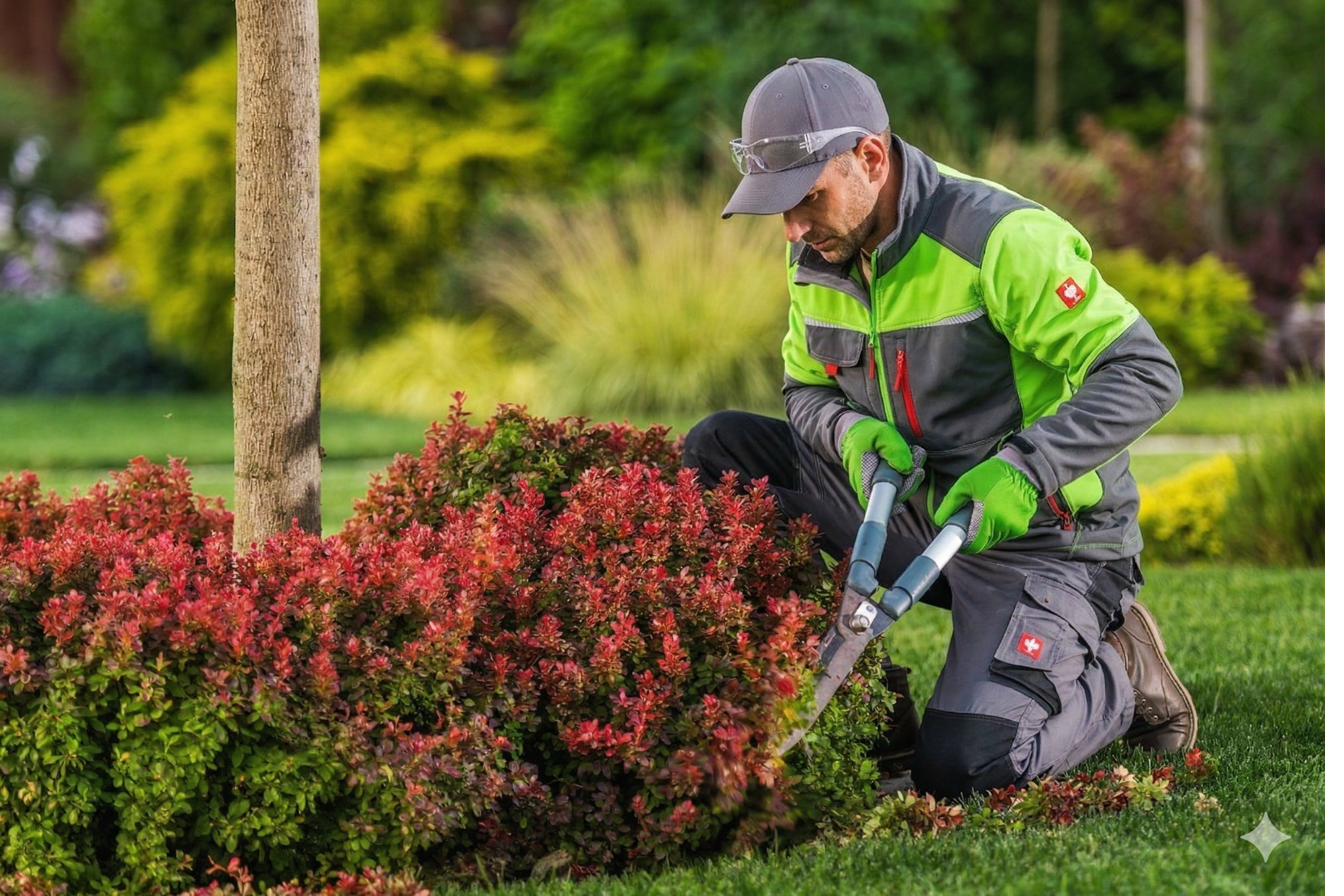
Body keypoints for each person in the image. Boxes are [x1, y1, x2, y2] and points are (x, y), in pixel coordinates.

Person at [683, 57, 1198, 799]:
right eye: (778, 206)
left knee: (969, 769)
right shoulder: (819, 254)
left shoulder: (999, 238)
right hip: (923, 514)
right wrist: (852, 438)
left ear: (869, 156)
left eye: (805, 197)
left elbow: (1147, 372)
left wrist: (1028, 468)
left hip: (1049, 540)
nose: (791, 227)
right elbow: (804, 389)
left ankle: (1123, 671)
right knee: (720, 449)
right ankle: (871, 712)